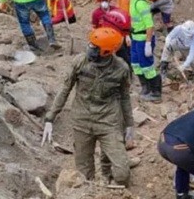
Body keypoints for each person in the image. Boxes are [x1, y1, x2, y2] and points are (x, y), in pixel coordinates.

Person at [43, 27, 135, 187]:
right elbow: (65, 90)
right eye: (91, 44)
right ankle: (89, 196)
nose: (90, 48)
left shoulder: (121, 69)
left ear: (107, 51)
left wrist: (129, 125)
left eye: (95, 47)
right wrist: (50, 117)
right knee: (84, 175)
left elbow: (125, 98)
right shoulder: (80, 62)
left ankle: (108, 177)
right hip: (82, 121)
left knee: (122, 174)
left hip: (108, 121)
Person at [125, 0, 163, 102]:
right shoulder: (132, 0)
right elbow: (132, 20)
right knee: (135, 64)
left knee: (147, 66)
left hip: (143, 39)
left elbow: (149, 25)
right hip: (135, 37)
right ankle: (145, 88)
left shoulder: (140, 2)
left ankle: (156, 93)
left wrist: (148, 43)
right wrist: (128, 35)